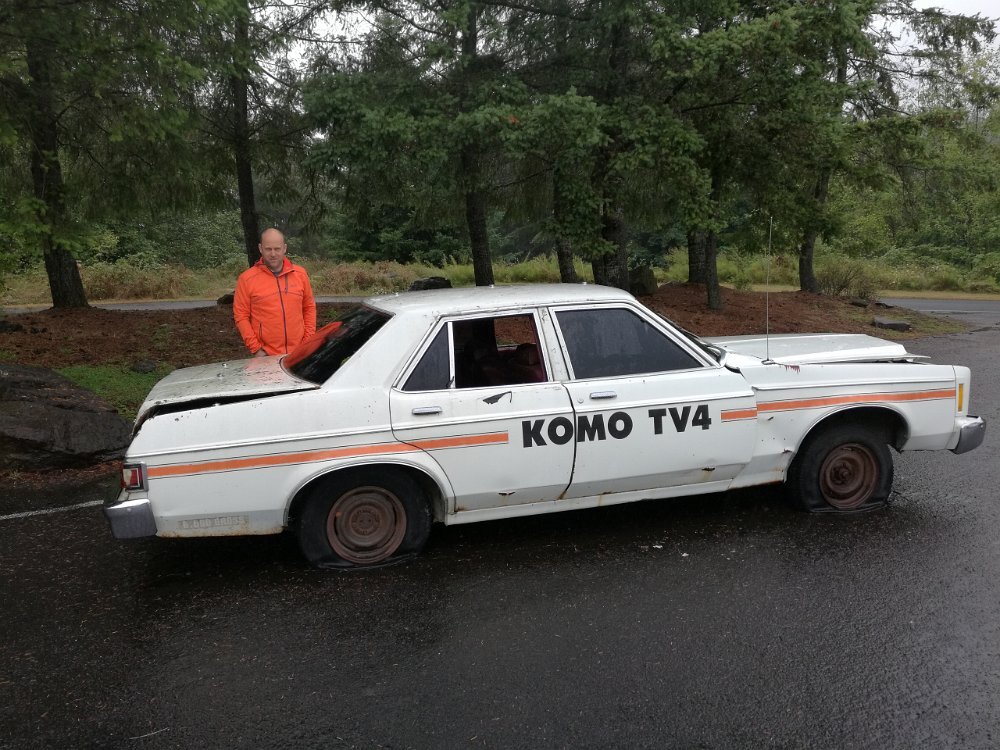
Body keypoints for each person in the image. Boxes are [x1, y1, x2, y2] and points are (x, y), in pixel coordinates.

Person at [234, 228, 317, 357]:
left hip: (299, 353)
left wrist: (307, 342)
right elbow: (241, 316)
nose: (273, 254)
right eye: (268, 249)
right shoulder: (246, 279)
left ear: (284, 248)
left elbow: (309, 308)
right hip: (266, 355)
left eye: (277, 249)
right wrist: (256, 349)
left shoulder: (300, 274)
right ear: (260, 248)